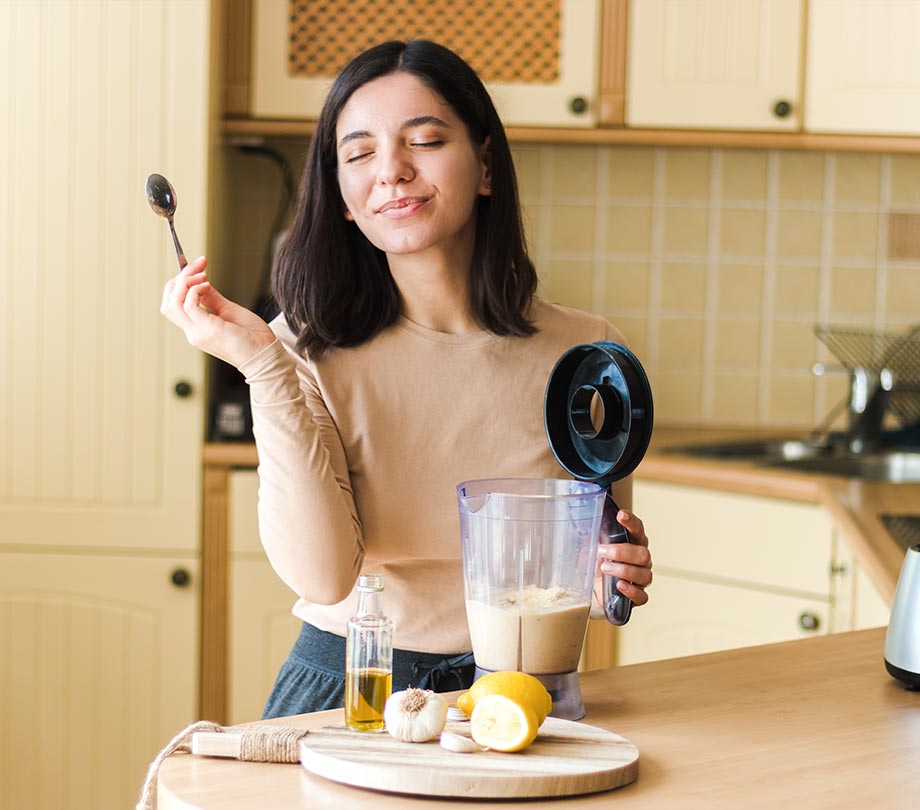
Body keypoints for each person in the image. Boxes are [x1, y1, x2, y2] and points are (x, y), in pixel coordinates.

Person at [161, 39, 653, 719]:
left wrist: (612, 577)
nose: (390, 171)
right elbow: (323, 578)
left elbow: (592, 572)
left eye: (423, 140)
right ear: (341, 198)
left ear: (485, 164)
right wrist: (260, 365)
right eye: (359, 155)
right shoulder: (298, 353)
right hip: (354, 689)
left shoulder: (588, 353)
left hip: (520, 696)